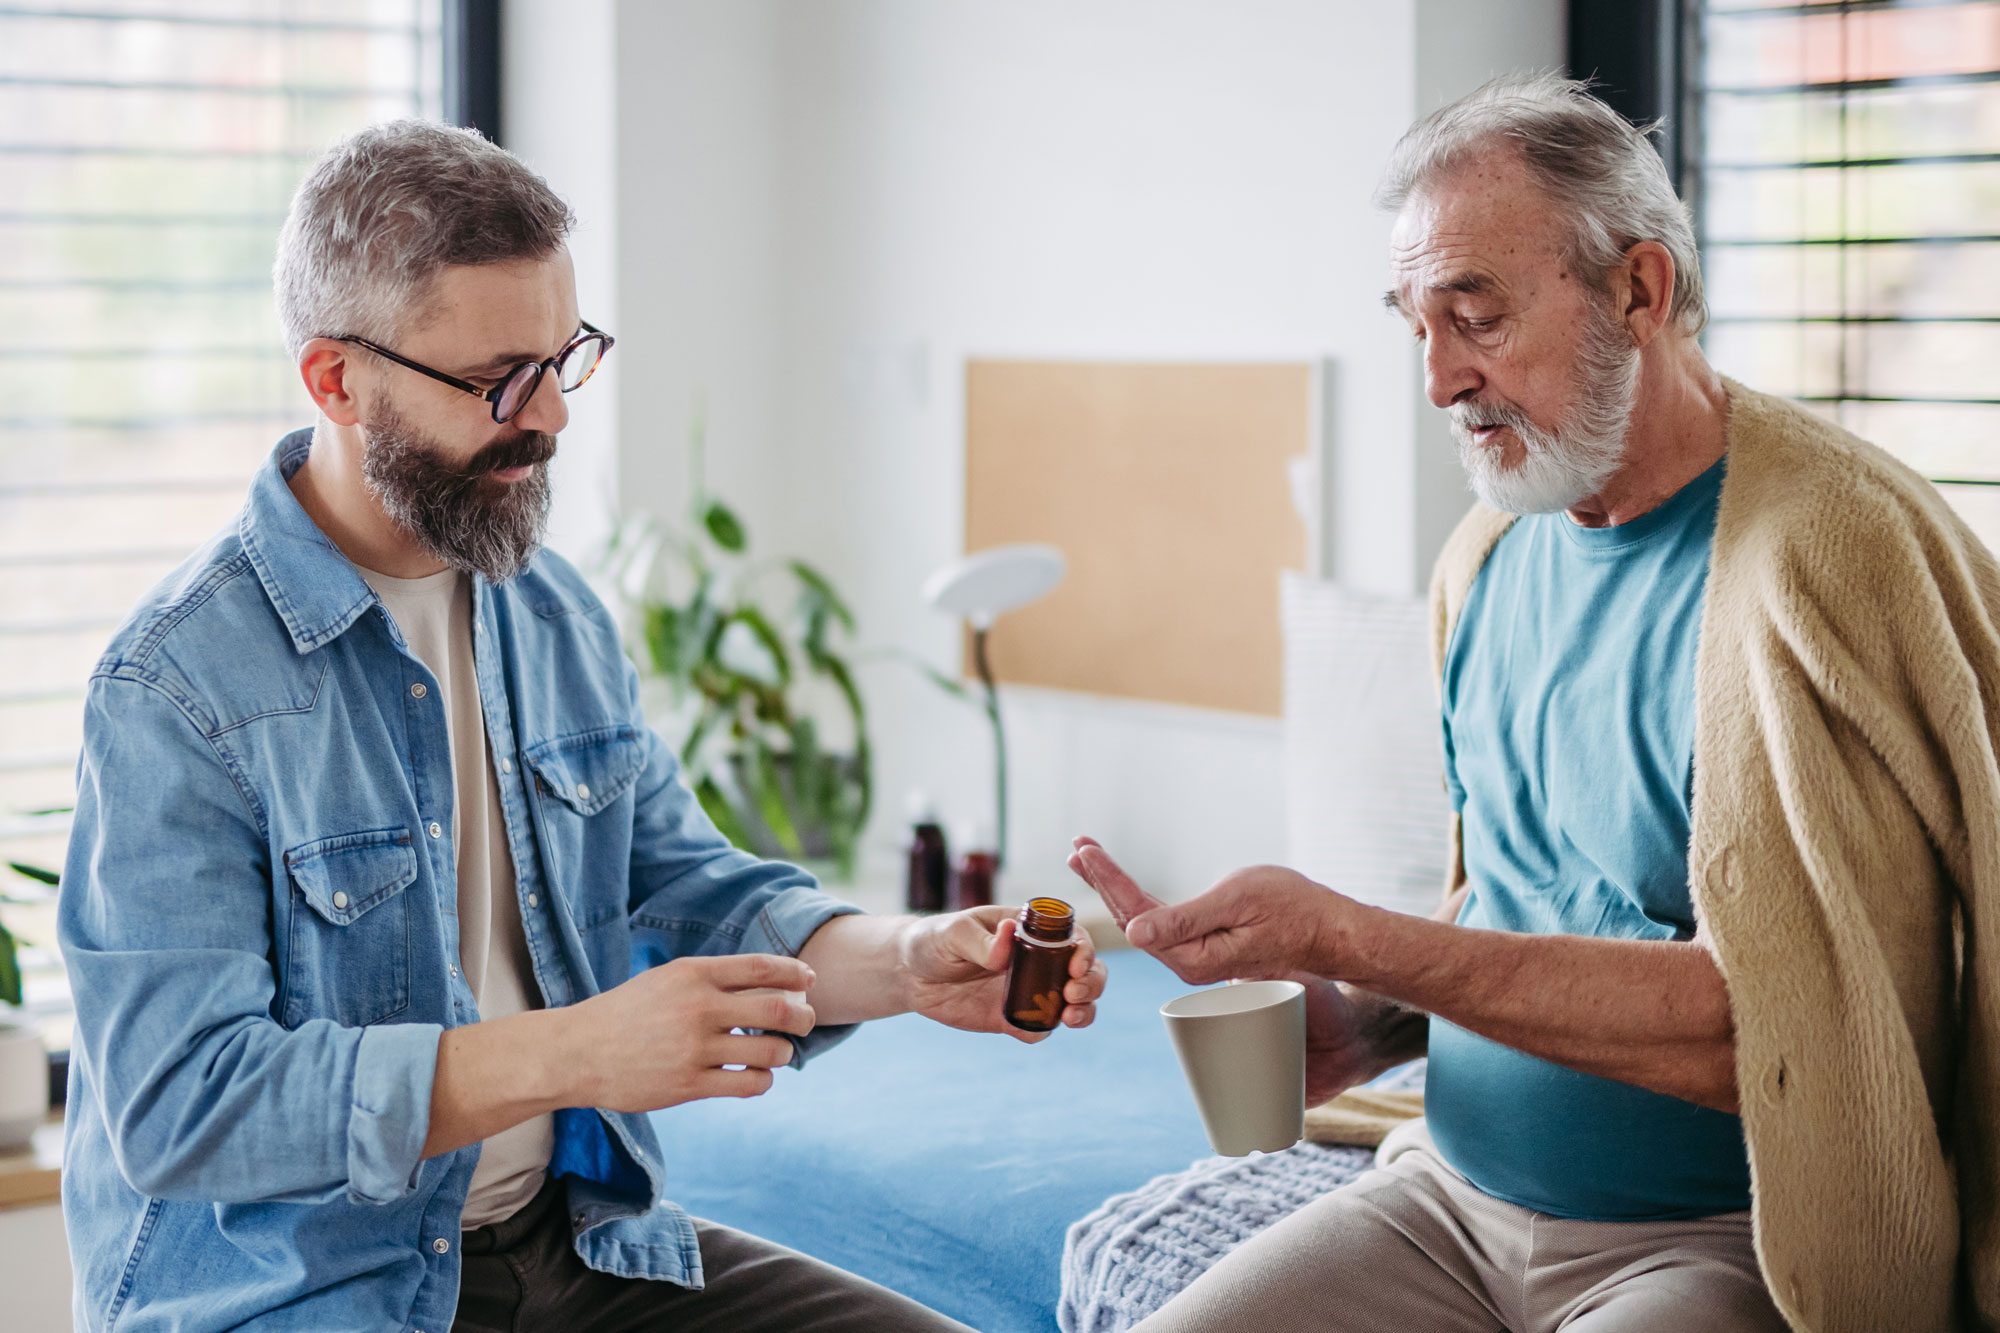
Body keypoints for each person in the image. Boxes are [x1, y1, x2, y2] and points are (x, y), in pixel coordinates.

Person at [58, 119, 1104, 1333]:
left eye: (566, 357)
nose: (550, 414)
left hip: (573, 1248)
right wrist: (569, 1053)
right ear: (336, 380)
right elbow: (182, 1105)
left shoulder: (543, 611)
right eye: (500, 379)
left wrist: (906, 963)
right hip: (309, 1294)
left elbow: (683, 893)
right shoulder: (177, 685)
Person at [1072, 73, 1999, 1332]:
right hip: (1444, 1201)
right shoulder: (1486, 558)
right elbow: (1513, 899)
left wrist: (1349, 935)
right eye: (1416, 325)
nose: (1440, 380)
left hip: (1718, 1239)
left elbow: (1775, 1027)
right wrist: (1368, 1025)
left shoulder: (1815, 562)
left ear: (1639, 289)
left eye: (1477, 316)